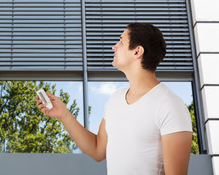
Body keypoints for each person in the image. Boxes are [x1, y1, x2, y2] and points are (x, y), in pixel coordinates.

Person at [37, 23, 192, 175]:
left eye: (121, 41)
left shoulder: (170, 106)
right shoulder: (115, 100)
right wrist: (64, 114)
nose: (114, 46)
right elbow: (98, 150)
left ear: (137, 51)